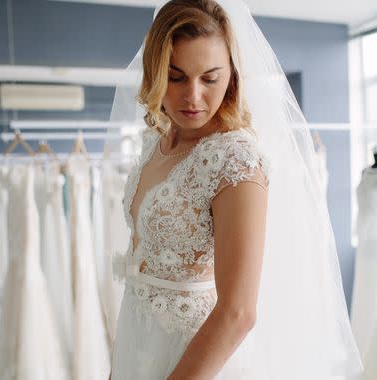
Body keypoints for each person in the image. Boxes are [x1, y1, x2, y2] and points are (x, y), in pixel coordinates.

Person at [108, 0, 361, 378]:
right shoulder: (155, 143)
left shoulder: (235, 160)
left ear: (232, 77)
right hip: (138, 341)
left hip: (195, 359)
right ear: (154, 73)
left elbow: (239, 313)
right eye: (176, 77)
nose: (193, 96)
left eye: (210, 78)